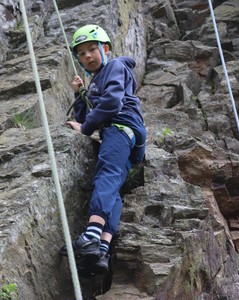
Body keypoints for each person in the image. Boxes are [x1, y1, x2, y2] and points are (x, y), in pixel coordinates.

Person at [60, 24, 146, 275]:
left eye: (92, 49)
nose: (87, 56)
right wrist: (80, 94)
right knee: (114, 190)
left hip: (120, 129)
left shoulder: (115, 66)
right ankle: (102, 249)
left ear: (105, 49)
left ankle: (91, 235)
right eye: (82, 54)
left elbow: (111, 103)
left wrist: (85, 128)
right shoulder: (97, 81)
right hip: (125, 136)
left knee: (106, 176)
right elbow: (87, 115)